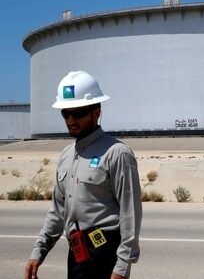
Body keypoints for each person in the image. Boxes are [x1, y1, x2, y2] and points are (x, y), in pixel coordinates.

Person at [24, 71, 142, 279]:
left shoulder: (116, 153)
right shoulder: (66, 156)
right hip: (77, 254)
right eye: (65, 113)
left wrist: (122, 267)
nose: (70, 120)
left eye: (78, 113)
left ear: (97, 112)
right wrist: (38, 251)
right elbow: (57, 211)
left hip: (105, 254)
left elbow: (130, 213)